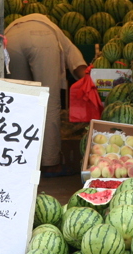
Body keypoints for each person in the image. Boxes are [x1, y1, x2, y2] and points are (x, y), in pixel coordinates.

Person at [5, 14, 86, 177]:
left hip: (10, 39)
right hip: (41, 39)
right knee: (48, 103)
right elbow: (76, 62)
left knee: (19, 105)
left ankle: (21, 161)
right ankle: (51, 164)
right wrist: (90, 80)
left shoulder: (24, 22)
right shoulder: (57, 33)